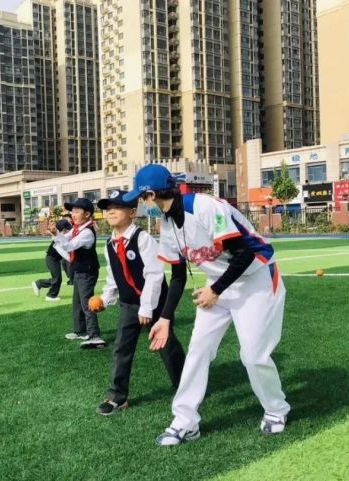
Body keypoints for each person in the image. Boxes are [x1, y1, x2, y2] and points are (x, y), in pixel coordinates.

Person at [122, 164, 290, 445]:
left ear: (151, 195)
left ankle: (276, 409)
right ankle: (185, 421)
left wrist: (215, 290)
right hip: (218, 284)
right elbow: (177, 275)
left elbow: (245, 254)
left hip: (256, 279)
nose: (140, 204)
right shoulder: (167, 224)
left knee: (253, 355)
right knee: (198, 350)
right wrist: (165, 318)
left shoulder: (204, 207)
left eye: (141, 198)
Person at [88, 189, 185, 415]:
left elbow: (155, 274)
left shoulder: (143, 238)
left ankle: (184, 384)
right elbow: (114, 277)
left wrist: (147, 307)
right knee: (122, 348)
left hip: (155, 303)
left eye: (117, 207)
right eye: (108, 208)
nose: (111, 211)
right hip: (129, 304)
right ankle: (117, 397)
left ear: (132, 212)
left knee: (166, 345)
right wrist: (105, 299)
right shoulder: (109, 244)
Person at [51, 198, 104, 349]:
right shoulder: (77, 229)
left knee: (87, 304)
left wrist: (56, 235)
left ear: (87, 214)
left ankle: (94, 336)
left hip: (87, 271)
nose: (73, 215)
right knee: (78, 303)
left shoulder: (86, 232)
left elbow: (69, 245)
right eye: (72, 212)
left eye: (76, 212)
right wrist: (55, 234)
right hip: (79, 270)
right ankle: (81, 331)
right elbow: (64, 239)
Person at [32, 219, 72, 302]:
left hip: (54, 259)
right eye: (66, 229)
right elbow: (64, 249)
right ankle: (50, 295)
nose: (68, 231)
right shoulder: (60, 237)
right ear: (63, 230)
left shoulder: (61, 236)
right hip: (51, 259)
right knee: (57, 278)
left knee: (56, 278)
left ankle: (39, 284)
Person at [60, 213, 75, 286]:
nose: (66, 220)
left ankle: (72, 279)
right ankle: (70, 277)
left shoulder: (74, 226)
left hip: (72, 247)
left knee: (69, 263)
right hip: (67, 248)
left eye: (67, 218)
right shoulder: (65, 226)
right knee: (63, 263)